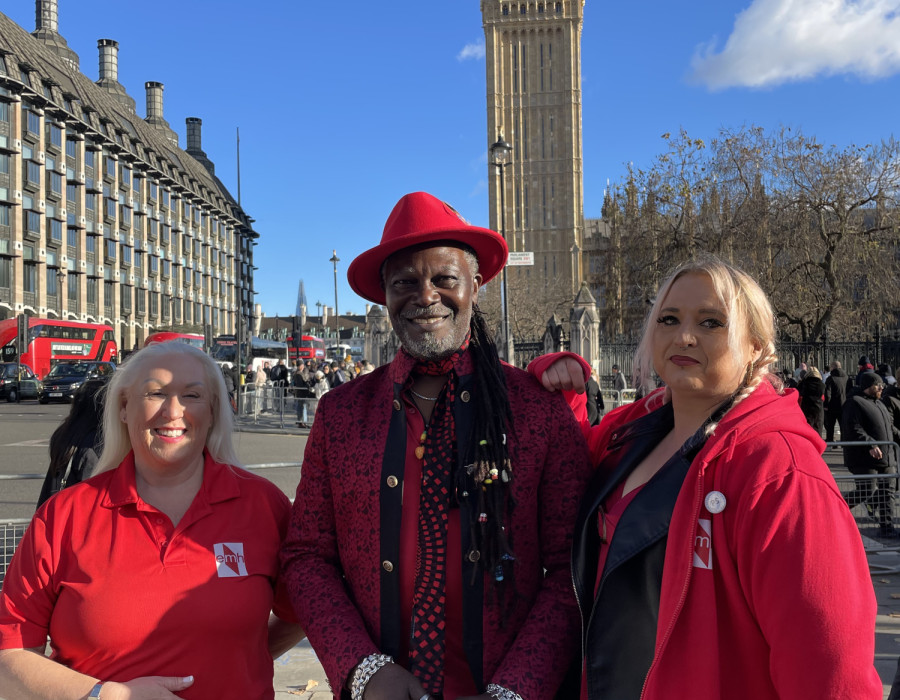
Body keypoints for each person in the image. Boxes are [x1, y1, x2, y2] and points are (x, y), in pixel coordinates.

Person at [280, 191, 590, 700]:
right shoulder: (341, 414)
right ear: (384, 296)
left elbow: (571, 569)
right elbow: (307, 557)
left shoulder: (536, 411)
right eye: (404, 282)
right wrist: (362, 669)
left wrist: (516, 689)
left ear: (476, 286)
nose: (425, 296)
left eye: (444, 279)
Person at [532, 256, 880, 699]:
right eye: (669, 319)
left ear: (755, 347)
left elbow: (831, 677)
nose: (684, 335)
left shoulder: (782, 474)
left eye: (711, 322)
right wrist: (558, 389)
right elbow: (560, 465)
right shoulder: (628, 433)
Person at [0, 342, 304, 699]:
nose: (173, 411)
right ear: (124, 407)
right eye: (156, 393)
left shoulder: (264, 506)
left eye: (192, 395)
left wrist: (242, 659)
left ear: (212, 411)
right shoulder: (63, 516)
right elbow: (10, 654)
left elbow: (301, 612)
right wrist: (105, 695)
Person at [842, 371, 900, 536]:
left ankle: (887, 527)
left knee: (887, 491)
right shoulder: (854, 402)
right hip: (864, 458)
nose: (881, 388)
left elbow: (889, 427)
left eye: (882, 385)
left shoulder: (880, 403)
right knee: (866, 491)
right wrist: (871, 444)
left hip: (886, 456)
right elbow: (853, 427)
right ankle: (837, 509)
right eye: (878, 385)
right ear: (868, 386)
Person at [36, 379, 106, 508]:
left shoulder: (65, 431)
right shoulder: (94, 443)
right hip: (78, 511)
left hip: (54, 504)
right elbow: (92, 492)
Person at [824, 360, 849, 443]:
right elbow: (849, 391)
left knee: (830, 426)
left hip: (832, 405)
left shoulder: (830, 378)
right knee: (843, 425)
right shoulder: (846, 378)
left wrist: (826, 405)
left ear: (833, 367)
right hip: (844, 404)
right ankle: (843, 441)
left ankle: (830, 441)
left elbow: (828, 393)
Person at [796, 365, 825, 435]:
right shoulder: (821, 384)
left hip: (806, 407)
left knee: (807, 428)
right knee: (818, 427)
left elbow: (799, 393)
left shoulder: (803, 383)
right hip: (818, 408)